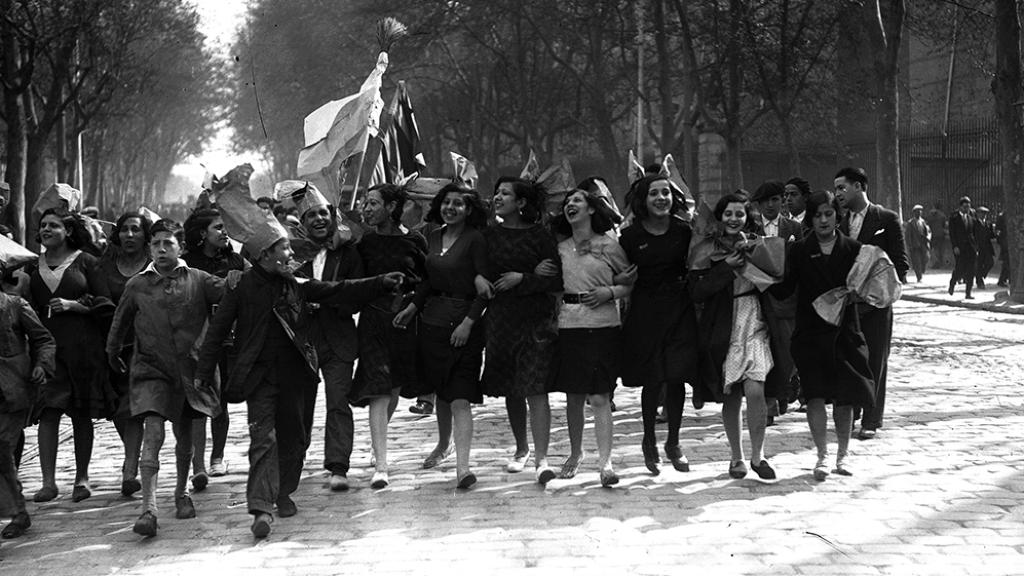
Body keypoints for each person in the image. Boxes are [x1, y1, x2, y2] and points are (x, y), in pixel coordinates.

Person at [195, 194, 401, 538]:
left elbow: (337, 290)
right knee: (264, 440)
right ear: (265, 255)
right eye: (286, 250)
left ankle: (283, 491)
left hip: (298, 378)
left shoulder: (296, 284)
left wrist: (380, 282)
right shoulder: (240, 286)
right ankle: (260, 508)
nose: (293, 255)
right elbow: (216, 333)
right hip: (259, 378)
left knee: (296, 438)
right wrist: (203, 374)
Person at [106, 219, 226, 537]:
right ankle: (149, 509)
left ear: (181, 248)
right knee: (153, 434)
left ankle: (181, 492)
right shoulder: (137, 285)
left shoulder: (199, 280)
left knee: (184, 437)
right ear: (150, 248)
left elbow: (232, 292)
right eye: (156, 243)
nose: (161, 249)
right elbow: (119, 322)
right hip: (150, 370)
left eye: (168, 243)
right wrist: (112, 350)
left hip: (189, 371)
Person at [770, 190, 875, 480]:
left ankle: (842, 455)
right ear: (811, 218)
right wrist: (758, 269)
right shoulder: (800, 251)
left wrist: (859, 297)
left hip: (845, 333)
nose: (824, 220)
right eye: (817, 215)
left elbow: (871, 291)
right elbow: (784, 288)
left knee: (845, 397)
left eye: (829, 213)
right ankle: (822, 455)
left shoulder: (855, 249)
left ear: (837, 216)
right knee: (814, 395)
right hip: (811, 334)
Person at [395, 184, 488, 489]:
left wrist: (468, 323)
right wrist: (411, 308)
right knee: (442, 391)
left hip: (464, 326)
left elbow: (484, 289)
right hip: (432, 325)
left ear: (469, 209)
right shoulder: (433, 236)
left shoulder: (476, 240)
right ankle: (443, 444)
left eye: (458, 203)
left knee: (460, 396)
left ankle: (463, 468)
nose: (451, 208)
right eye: (446, 202)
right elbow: (427, 282)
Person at [25, 208, 115, 503]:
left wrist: (78, 307)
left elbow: (106, 305)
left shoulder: (87, 262)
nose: (47, 230)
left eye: (54, 225)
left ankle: (82, 478)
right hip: (48, 350)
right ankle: (48, 482)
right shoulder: (30, 266)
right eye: (43, 226)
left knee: (80, 413)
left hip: (82, 347)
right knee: (47, 411)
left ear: (68, 231)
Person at [477, 177, 562, 484]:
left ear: (521, 202)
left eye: (505, 193)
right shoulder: (489, 236)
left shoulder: (540, 235)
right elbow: (482, 272)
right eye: (496, 192)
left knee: (536, 386)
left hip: (535, 320)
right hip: (501, 320)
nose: (497, 197)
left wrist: (522, 279)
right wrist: (480, 279)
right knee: (512, 387)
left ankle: (542, 458)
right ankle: (521, 448)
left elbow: (555, 279)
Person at [689, 192, 776, 480]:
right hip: (723, 324)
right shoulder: (707, 248)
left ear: (747, 217)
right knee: (732, 395)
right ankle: (736, 457)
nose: (734, 219)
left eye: (740, 214)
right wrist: (726, 268)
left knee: (755, 387)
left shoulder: (758, 243)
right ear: (720, 217)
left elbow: (775, 280)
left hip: (756, 319)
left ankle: (758, 455)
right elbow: (698, 291)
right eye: (728, 214)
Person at [550, 188, 631, 487]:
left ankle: (605, 462)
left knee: (599, 396)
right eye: (568, 203)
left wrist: (608, 292)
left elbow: (629, 282)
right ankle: (575, 454)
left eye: (577, 201)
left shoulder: (609, 245)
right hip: (569, 326)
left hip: (604, 326)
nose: (571, 206)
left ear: (592, 209)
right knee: (573, 395)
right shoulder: (559, 248)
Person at [289, 185, 365, 491]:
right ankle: (295, 458)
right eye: (311, 215)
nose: (319, 219)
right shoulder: (292, 252)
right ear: (302, 221)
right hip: (303, 342)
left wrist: (329, 300)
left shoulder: (348, 252)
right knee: (300, 405)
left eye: (324, 213)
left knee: (338, 403)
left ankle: (338, 466)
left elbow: (357, 293)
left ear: (332, 217)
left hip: (339, 340)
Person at [619, 175, 696, 476]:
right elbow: (618, 272)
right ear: (643, 200)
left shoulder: (684, 231)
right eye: (654, 194)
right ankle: (649, 440)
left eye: (666, 193)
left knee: (676, 376)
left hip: (679, 308)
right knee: (653, 377)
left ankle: (673, 442)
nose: (661, 198)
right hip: (646, 311)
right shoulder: (629, 236)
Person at [351, 184, 426, 488]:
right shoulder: (364, 242)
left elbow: (427, 280)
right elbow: (353, 279)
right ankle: (381, 463)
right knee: (378, 390)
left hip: (404, 321)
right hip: (373, 321)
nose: (367, 209)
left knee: (393, 389)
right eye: (365, 203)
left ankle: (376, 443)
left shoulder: (415, 240)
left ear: (392, 207)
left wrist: (412, 307)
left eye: (373, 203)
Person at [835, 167, 908, 440]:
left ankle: (871, 418)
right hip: (848, 305)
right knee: (851, 358)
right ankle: (850, 413)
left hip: (877, 306)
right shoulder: (839, 223)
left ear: (858, 186)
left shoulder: (886, 219)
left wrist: (879, 290)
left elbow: (900, 265)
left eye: (842, 187)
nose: (838, 194)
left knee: (876, 358)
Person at [183, 208, 247, 485]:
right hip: (195, 339)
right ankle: (197, 460)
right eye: (218, 228)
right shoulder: (184, 263)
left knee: (220, 401)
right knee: (197, 399)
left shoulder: (235, 260)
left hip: (229, 338)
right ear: (201, 234)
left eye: (225, 228)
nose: (224, 232)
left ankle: (217, 456)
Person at [98, 212, 153, 497]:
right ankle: (132, 455)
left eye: (135, 230)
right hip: (113, 345)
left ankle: (131, 466)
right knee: (120, 410)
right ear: (117, 234)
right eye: (124, 230)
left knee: (136, 407)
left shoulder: (154, 265)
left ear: (146, 236)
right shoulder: (105, 266)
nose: (129, 235)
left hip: (148, 346)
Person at [0, 267, 55, 541]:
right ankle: (18, 511)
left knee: (1, 448)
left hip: (11, 391)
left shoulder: (14, 305)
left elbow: (43, 339)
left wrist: (42, 365)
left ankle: (17, 511)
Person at [947, 196, 978, 300]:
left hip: (970, 248)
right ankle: (952, 283)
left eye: (968, 207)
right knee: (959, 269)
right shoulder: (954, 218)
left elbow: (974, 233)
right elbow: (952, 234)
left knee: (971, 271)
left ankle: (968, 293)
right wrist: (955, 246)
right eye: (965, 207)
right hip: (960, 248)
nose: (967, 209)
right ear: (960, 207)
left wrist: (976, 248)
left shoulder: (971, 217)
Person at [903, 204, 931, 283]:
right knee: (917, 262)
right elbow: (907, 235)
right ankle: (919, 277)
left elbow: (928, 232)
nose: (919, 213)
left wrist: (928, 238)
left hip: (923, 244)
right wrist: (909, 245)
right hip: (915, 245)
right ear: (914, 213)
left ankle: (921, 271)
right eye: (917, 211)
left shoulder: (923, 222)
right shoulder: (910, 223)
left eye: (920, 211)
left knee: (925, 259)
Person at [975, 206, 996, 289]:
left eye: (985, 214)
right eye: (982, 213)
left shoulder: (988, 223)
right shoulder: (975, 223)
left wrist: (996, 234)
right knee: (979, 264)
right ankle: (979, 281)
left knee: (990, 262)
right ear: (978, 214)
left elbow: (991, 235)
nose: (984, 215)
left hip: (987, 247)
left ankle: (981, 275)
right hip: (979, 247)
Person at [925, 203, 948, 268]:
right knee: (940, 249)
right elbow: (944, 225)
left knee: (935, 249)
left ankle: (937, 263)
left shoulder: (931, 215)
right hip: (941, 235)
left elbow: (928, 224)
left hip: (934, 235)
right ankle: (940, 263)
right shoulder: (943, 215)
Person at [996, 210, 1010, 287]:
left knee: (1008, 263)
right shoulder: (1002, 216)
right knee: (1007, 263)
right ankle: (1002, 279)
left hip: (1010, 243)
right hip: (1005, 243)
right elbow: (998, 231)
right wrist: (1001, 242)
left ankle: (1005, 279)